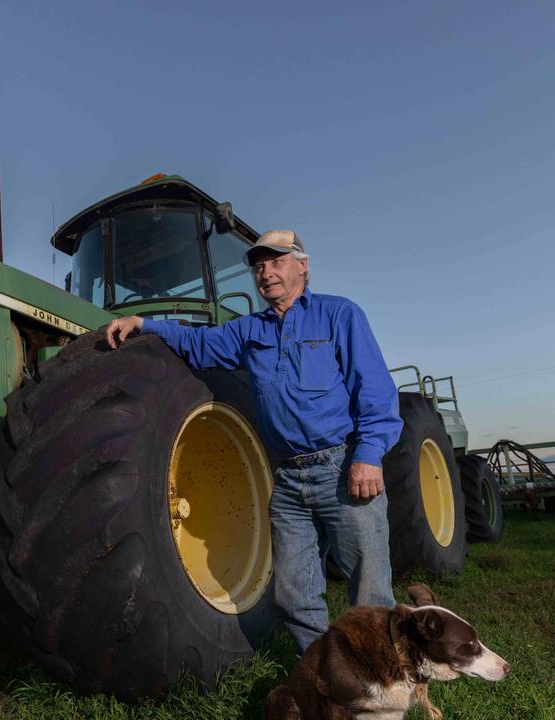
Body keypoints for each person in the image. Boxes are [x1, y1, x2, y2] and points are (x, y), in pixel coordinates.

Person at [104, 229, 403, 656]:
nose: (266, 273)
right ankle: (320, 681)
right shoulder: (249, 331)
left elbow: (374, 390)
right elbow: (197, 343)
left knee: (371, 594)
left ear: (302, 266)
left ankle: (378, 692)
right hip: (288, 481)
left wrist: (369, 456)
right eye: (259, 266)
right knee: (294, 596)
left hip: (343, 470)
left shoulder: (340, 315)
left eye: (277, 261)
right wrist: (142, 323)